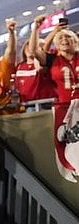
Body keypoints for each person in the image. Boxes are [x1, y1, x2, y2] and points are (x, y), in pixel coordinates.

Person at [29, 16, 79, 182]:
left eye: (68, 37)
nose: (65, 40)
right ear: (56, 45)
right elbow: (35, 50)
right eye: (61, 38)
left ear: (75, 41)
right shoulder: (52, 59)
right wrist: (36, 27)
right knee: (65, 141)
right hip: (65, 107)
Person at [15, 18, 56, 110]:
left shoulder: (43, 62)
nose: (30, 48)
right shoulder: (19, 66)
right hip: (27, 106)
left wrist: (38, 51)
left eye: (33, 46)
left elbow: (40, 68)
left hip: (47, 104)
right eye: (28, 45)